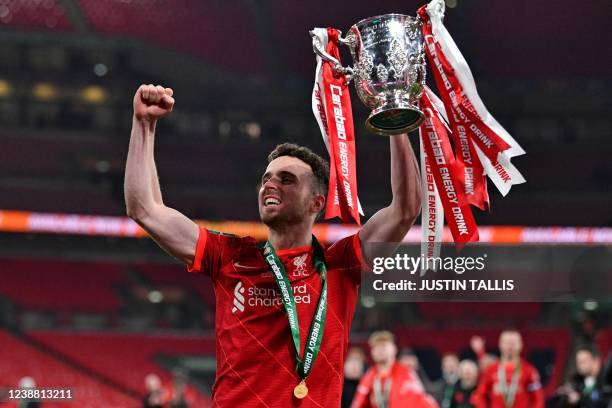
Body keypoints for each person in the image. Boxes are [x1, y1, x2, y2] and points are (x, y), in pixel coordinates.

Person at [124, 84, 422, 407]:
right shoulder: (229, 256)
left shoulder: (340, 264)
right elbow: (144, 208)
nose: (270, 183)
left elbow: (405, 209)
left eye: (286, 179)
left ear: (316, 203)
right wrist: (144, 124)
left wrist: (395, 119)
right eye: (267, 178)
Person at [350, 331, 437, 408]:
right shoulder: (369, 377)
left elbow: (417, 400)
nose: (380, 350)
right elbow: (358, 403)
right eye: (376, 347)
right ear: (372, 352)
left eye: (384, 345)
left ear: (394, 349)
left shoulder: (405, 374)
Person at [471, 330, 544, 408]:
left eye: (513, 343)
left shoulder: (529, 370)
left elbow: (538, 398)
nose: (510, 346)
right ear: (500, 344)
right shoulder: (490, 370)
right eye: (507, 343)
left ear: (521, 345)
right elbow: (480, 395)